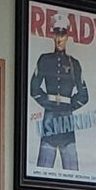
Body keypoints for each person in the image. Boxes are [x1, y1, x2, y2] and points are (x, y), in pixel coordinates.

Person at [28, 11, 88, 172]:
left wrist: (68, 107)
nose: (59, 38)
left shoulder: (74, 64)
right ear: (53, 36)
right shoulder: (45, 60)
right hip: (49, 118)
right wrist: (48, 104)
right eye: (57, 34)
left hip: (67, 120)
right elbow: (34, 88)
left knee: (72, 172)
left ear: (67, 37)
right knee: (42, 171)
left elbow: (83, 95)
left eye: (63, 34)